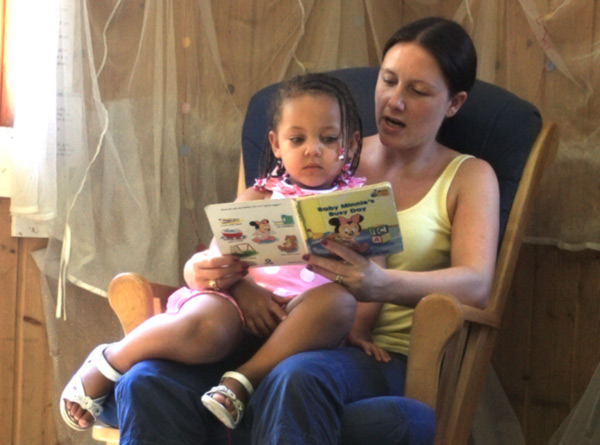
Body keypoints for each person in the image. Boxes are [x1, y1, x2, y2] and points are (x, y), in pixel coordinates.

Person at [99, 16, 499, 445]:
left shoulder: (469, 176)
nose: (394, 102)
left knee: (296, 376)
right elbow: (243, 240)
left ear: (454, 103)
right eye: (388, 81)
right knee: (147, 379)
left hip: (370, 349)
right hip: (264, 327)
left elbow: (475, 284)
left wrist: (380, 284)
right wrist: (215, 276)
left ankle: (248, 380)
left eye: (417, 91)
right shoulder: (318, 152)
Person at [60, 72, 390, 432]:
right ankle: (111, 359)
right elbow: (220, 258)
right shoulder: (258, 197)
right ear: (276, 144)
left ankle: (241, 381)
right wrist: (240, 288)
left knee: (339, 303)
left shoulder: (358, 206)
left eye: (329, 139)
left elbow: (376, 274)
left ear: (352, 143)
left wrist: (359, 328)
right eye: (297, 139)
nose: (314, 149)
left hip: (299, 319)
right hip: (237, 306)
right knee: (207, 323)